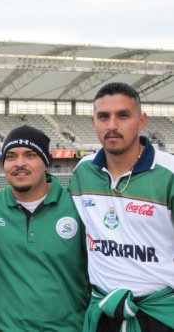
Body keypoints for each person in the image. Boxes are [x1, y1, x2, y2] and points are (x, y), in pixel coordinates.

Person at [69, 82, 174, 331]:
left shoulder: (169, 173)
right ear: (93, 121)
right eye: (104, 117)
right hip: (103, 313)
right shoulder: (83, 172)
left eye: (123, 115)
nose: (112, 125)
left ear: (141, 120)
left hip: (159, 315)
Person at [0, 124, 89, 331]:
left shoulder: (77, 206)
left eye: (30, 155)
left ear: (46, 162)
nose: (20, 163)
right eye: (11, 156)